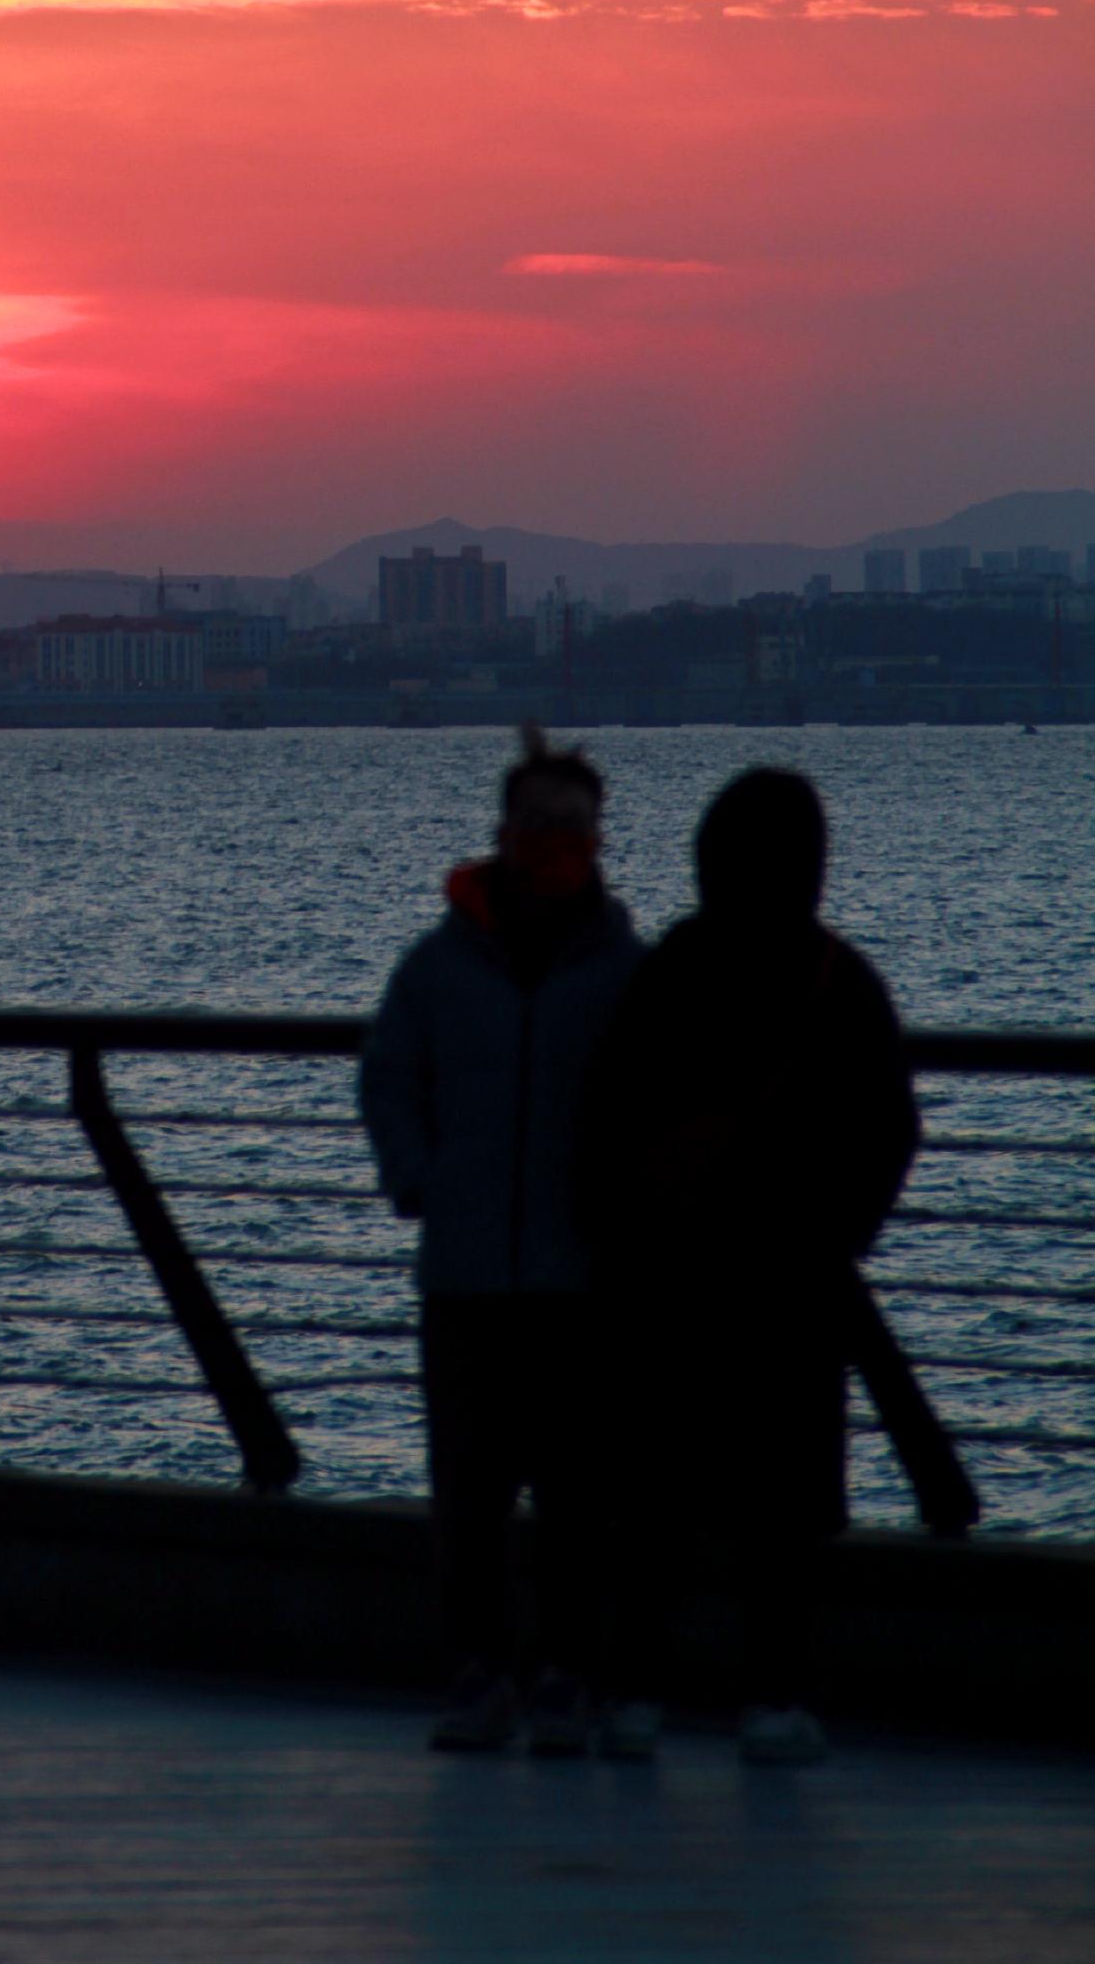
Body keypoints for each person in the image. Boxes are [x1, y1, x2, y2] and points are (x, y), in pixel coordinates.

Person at [580, 767, 918, 1767]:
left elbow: (605, 1117)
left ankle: (634, 1691)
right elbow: (890, 1127)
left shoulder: (668, 971)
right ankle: (773, 1696)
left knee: (651, 1491)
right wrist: (842, 1231)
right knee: (785, 1501)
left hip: (667, 1279)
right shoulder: (838, 979)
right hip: (792, 1282)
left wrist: (621, 1237)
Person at [359, 727, 642, 1754]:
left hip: (581, 1276)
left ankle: (569, 1673)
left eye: (571, 828)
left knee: (577, 1494)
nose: (553, 845)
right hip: (466, 1269)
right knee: (468, 1493)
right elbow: (388, 1075)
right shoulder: (438, 967)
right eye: (537, 826)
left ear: (596, 839)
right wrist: (415, 1177)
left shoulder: (626, 972)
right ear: (504, 831)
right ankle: (477, 1670)